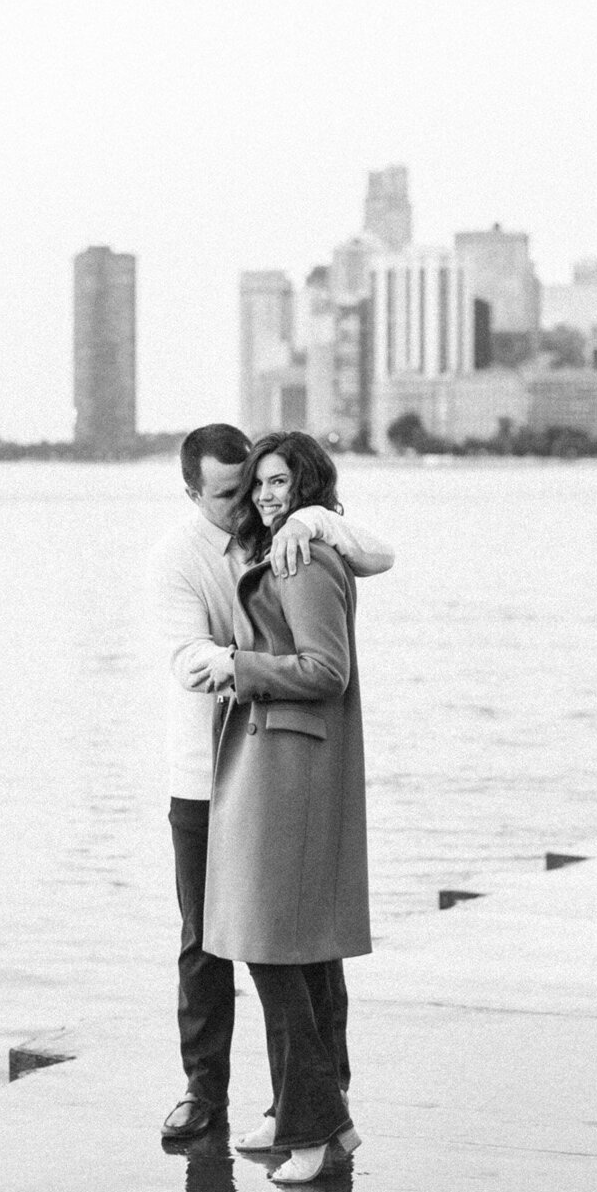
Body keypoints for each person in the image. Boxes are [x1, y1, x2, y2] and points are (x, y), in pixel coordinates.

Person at [149, 424, 393, 1142]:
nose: (243, 505)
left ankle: (320, 1098)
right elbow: (188, 657)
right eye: (228, 494)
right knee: (206, 940)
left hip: (272, 768)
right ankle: (205, 1090)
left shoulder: (292, 536)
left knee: (303, 942)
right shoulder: (176, 558)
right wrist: (236, 659)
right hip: (203, 770)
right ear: (194, 493)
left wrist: (315, 517)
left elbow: (379, 556)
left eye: (256, 484)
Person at [199, 432, 372, 1185]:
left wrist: (238, 668)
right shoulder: (282, 548)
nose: (269, 495)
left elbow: (325, 669)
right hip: (276, 760)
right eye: (262, 484)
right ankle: (318, 1120)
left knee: (275, 953)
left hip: (290, 767)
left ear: (308, 486)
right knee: (289, 954)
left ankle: (316, 1127)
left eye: (282, 483)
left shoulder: (303, 559)